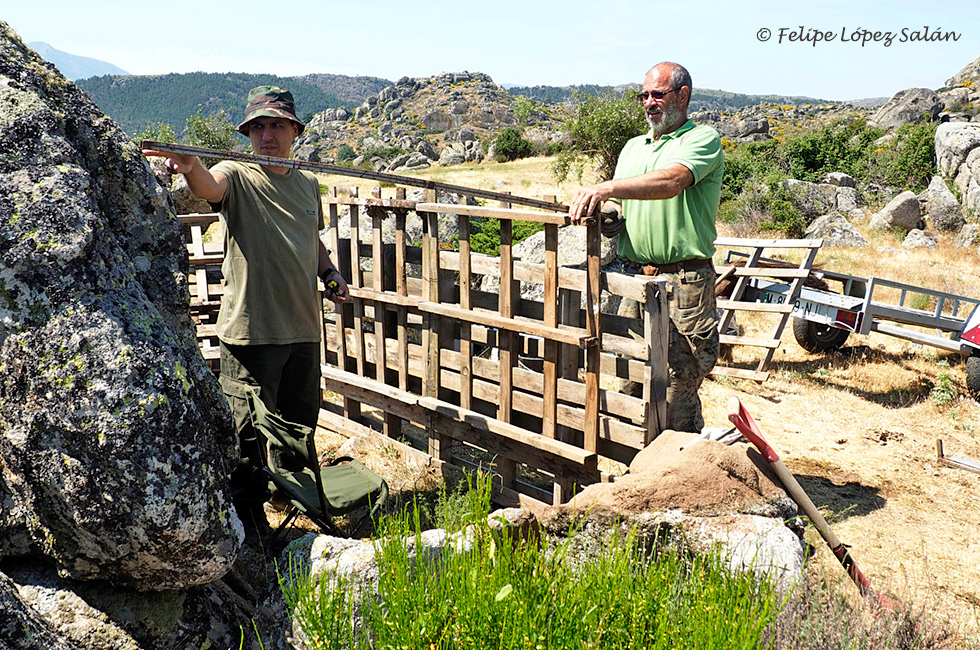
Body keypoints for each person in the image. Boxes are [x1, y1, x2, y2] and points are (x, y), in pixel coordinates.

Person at [144, 86, 350, 536]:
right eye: (258, 127)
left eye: (276, 125)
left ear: (295, 130)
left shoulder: (307, 185)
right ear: (247, 134)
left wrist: (330, 273)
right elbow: (209, 188)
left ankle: (294, 497)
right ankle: (248, 523)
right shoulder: (235, 174)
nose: (267, 135)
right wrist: (191, 165)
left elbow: (309, 238)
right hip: (252, 331)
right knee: (247, 435)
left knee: (299, 423)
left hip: (303, 329)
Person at [569, 62, 724, 433]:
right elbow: (622, 204)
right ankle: (635, 474)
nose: (649, 103)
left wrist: (606, 187)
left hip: (683, 282)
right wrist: (607, 212)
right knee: (629, 375)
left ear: (682, 96)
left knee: (676, 384)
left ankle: (679, 475)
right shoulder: (633, 147)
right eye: (644, 95)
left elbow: (672, 181)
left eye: (658, 94)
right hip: (635, 280)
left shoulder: (701, 139)